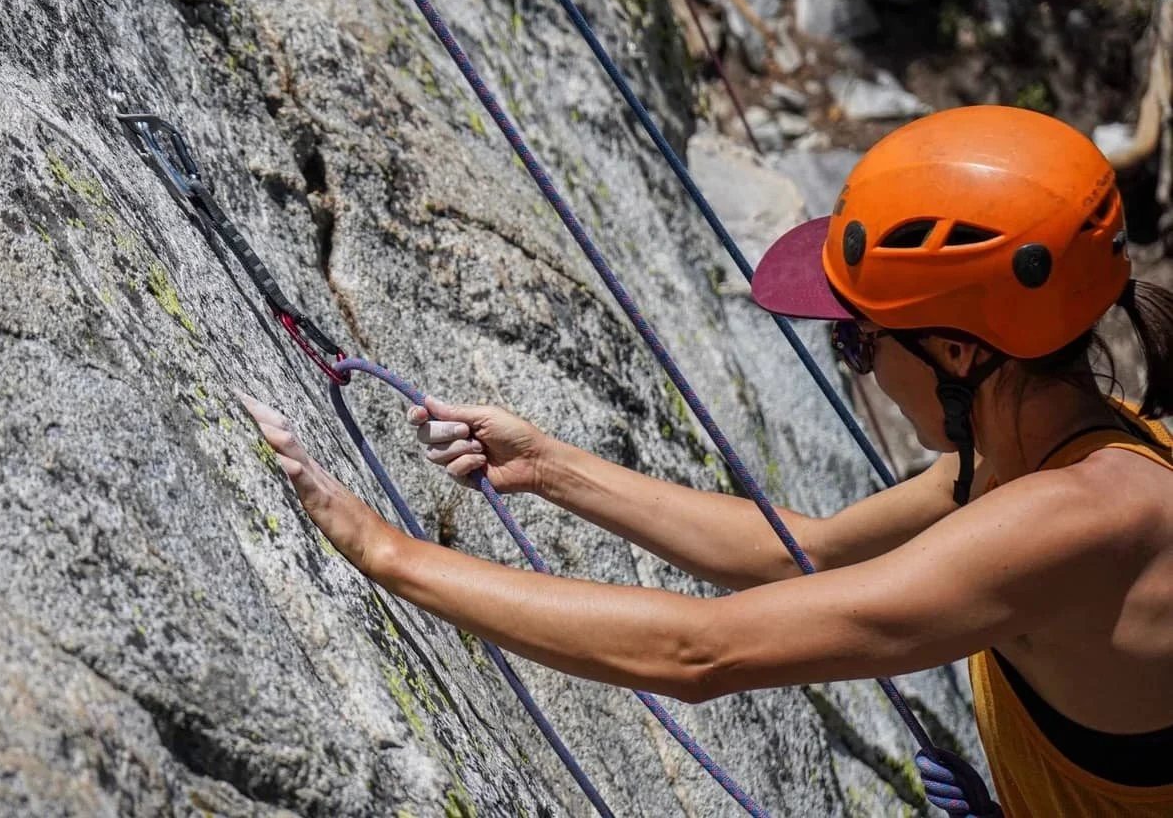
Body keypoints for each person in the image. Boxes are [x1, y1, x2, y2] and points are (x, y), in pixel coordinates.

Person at [241, 105, 1173, 816]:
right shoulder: (1041, 450)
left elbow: (701, 651)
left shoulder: (1072, 523)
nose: (861, 367)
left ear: (961, 352)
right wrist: (549, 466)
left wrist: (385, 554)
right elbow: (803, 552)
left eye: (859, 341)